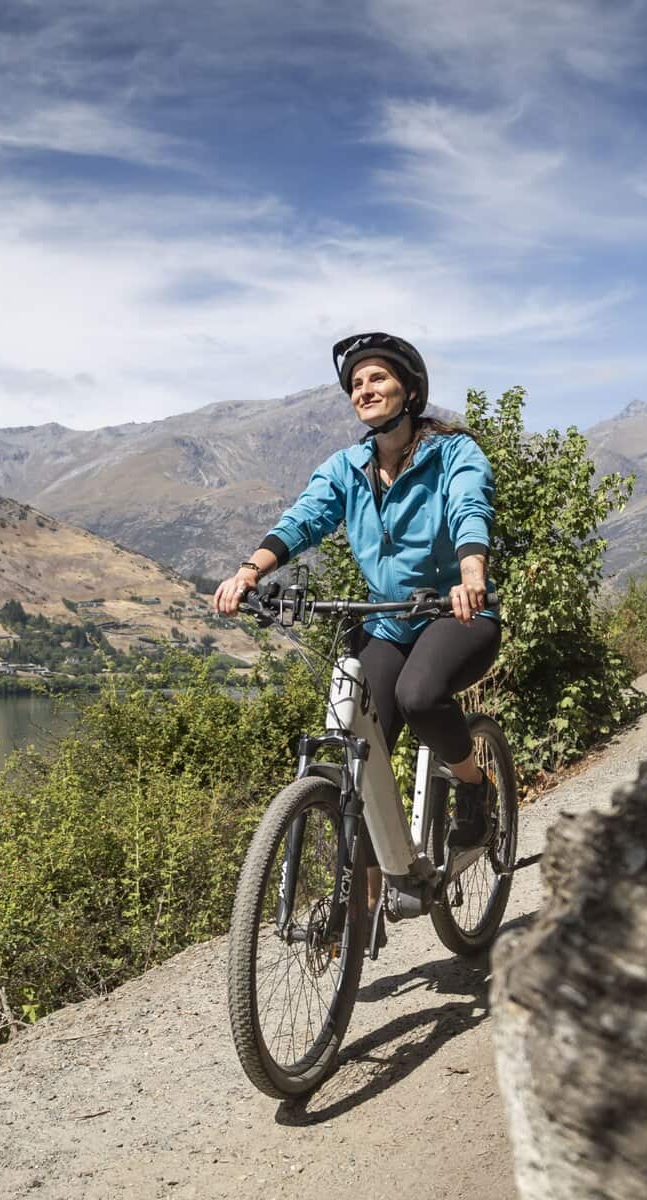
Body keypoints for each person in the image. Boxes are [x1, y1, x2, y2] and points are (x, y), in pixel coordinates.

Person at [214, 332, 501, 945]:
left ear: (411, 392)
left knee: (423, 694)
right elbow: (304, 518)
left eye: (376, 380)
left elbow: (469, 508)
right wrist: (250, 570)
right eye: (356, 385)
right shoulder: (347, 469)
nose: (363, 392)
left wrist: (470, 572)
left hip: (458, 616)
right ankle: (362, 907)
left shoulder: (454, 453)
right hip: (388, 622)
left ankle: (473, 791)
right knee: (357, 750)